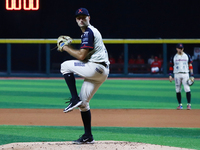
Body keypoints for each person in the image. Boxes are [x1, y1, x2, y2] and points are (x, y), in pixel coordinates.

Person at [59, 8, 110, 144]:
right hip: (101, 71)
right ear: (76, 20)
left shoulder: (88, 32)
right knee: (84, 103)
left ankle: (74, 99)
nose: (81, 20)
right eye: (78, 18)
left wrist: (65, 47)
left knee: (64, 66)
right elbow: (84, 56)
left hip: (96, 68)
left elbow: (81, 56)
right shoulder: (89, 33)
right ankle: (88, 136)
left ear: (89, 18)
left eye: (83, 17)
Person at [169, 43, 194, 110]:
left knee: (187, 89)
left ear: (183, 49)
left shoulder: (187, 56)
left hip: (185, 74)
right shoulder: (174, 56)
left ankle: (189, 104)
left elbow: (190, 65)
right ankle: (180, 105)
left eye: (182, 48)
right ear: (176, 49)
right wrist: (170, 75)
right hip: (177, 74)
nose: (180, 49)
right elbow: (171, 66)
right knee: (177, 90)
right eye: (179, 48)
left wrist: (192, 75)